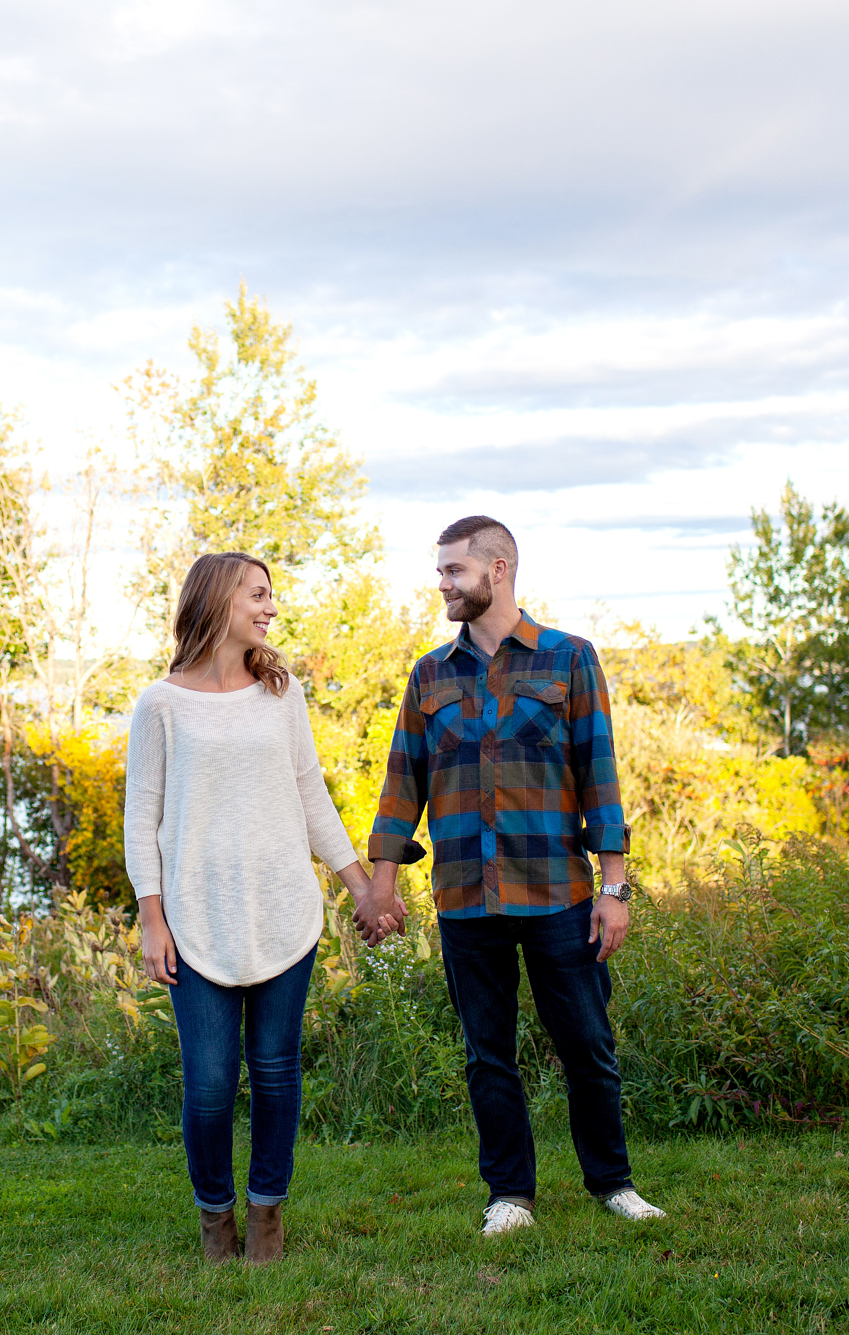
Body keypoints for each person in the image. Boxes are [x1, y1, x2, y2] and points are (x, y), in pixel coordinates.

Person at [364, 515, 666, 1235]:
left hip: (559, 892)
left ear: (497, 570)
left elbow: (600, 778)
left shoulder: (569, 659)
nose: (442, 584)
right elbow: (401, 783)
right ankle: (510, 1194)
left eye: (452, 571)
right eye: (440, 571)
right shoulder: (429, 674)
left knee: (588, 1046)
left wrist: (614, 888)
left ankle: (613, 1182)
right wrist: (382, 883)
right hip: (466, 898)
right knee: (486, 1054)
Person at [125, 552, 404, 1265]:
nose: (271, 607)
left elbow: (311, 795)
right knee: (211, 1084)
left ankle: (267, 1215)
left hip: (283, 908)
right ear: (218, 601)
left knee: (277, 1072)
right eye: (258, 595)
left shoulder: (283, 694)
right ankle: (215, 1215)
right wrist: (151, 917)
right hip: (195, 919)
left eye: (271, 595)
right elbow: (142, 818)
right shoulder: (160, 705)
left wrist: (362, 888)